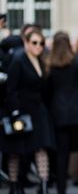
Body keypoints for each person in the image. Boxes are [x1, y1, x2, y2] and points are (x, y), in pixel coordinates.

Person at [0, 29, 54, 194]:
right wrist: (15, 111)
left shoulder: (41, 60)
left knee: (41, 148)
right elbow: (12, 89)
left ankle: (43, 185)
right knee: (16, 150)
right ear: (26, 43)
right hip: (21, 112)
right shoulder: (18, 60)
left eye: (41, 43)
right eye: (35, 43)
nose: (38, 46)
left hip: (38, 111)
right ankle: (15, 186)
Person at [46, 32, 78, 194]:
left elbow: (47, 92)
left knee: (61, 155)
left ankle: (61, 189)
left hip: (59, 114)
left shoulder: (50, 66)